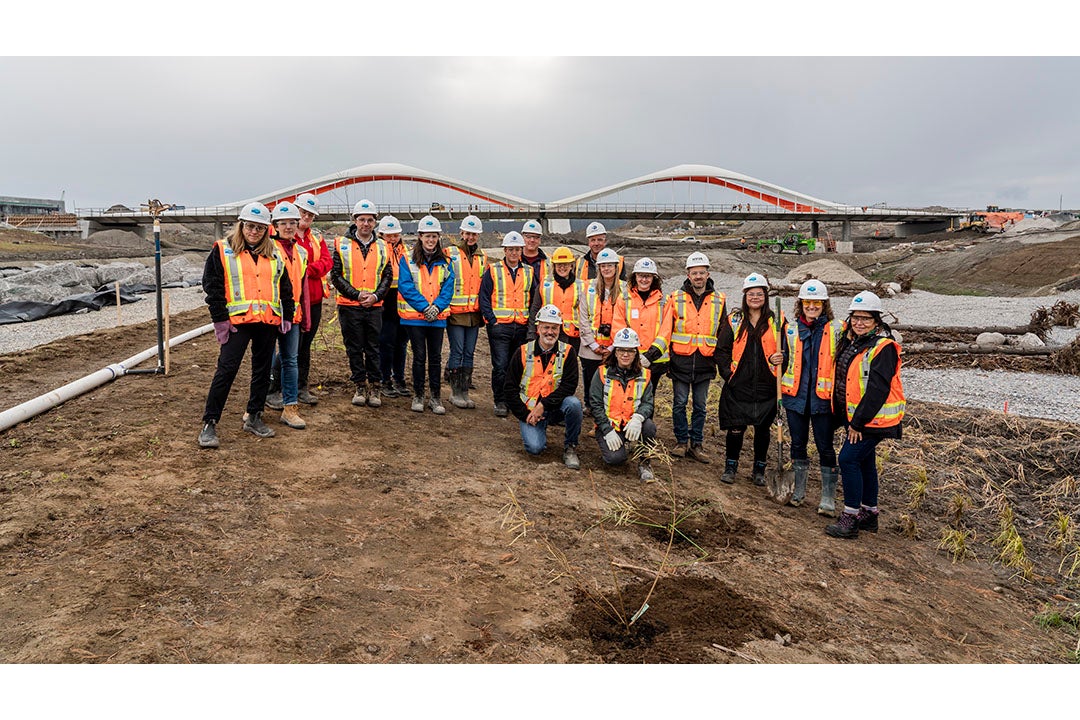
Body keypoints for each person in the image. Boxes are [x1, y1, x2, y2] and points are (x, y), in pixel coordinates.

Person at [197, 202, 294, 448]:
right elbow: (213, 286)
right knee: (226, 370)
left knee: (262, 372)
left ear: (266, 230)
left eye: (260, 228)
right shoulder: (223, 250)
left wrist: (287, 316)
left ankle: (255, 416)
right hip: (237, 323)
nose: (254, 232)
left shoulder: (274, 254)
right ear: (242, 226)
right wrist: (219, 319)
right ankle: (210, 422)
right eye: (250, 226)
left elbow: (285, 288)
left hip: (267, 322)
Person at [825, 291, 905, 539]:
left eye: (866, 319)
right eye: (855, 318)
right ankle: (869, 513)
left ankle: (850, 518)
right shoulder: (855, 343)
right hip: (860, 418)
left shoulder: (883, 348)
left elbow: (877, 391)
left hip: (872, 420)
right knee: (864, 461)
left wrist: (857, 423)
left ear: (877, 322)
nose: (859, 323)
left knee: (848, 459)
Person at [644, 251, 725, 463]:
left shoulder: (719, 300)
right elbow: (665, 331)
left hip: (705, 363)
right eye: (694, 273)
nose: (698, 276)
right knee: (679, 404)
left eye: (701, 272)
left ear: (708, 274)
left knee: (700, 406)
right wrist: (651, 356)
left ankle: (696, 445)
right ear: (688, 275)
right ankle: (681, 441)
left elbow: (724, 334)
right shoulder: (675, 298)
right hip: (680, 361)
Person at [716, 273, 788, 486]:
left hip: (766, 385)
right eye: (751, 293)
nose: (755, 297)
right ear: (745, 295)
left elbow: (786, 351)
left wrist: (780, 359)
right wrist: (728, 375)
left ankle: (759, 469)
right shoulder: (735, 320)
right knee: (736, 428)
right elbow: (721, 350)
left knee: (762, 430)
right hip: (739, 384)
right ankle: (731, 466)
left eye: (759, 294)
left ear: (765, 296)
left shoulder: (777, 320)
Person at [780, 279, 844, 512]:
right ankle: (799, 491)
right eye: (808, 301)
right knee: (798, 445)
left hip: (822, 399)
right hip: (795, 397)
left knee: (825, 446)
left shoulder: (838, 329)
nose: (812, 306)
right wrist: (773, 360)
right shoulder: (790, 328)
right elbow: (784, 359)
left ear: (824, 304)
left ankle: (827, 498)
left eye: (817, 302)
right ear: (801, 303)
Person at [331, 199, 393, 409]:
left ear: (375, 222)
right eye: (362, 219)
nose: (366, 224)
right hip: (350, 305)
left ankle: (375, 386)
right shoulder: (341, 243)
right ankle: (359, 384)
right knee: (354, 347)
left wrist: (376, 296)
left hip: (374, 306)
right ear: (355, 221)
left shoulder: (383, 246)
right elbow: (336, 275)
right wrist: (357, 295)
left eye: (370, 220)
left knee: (373, 347)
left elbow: (387, 276)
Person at [504, 303, 582, 470]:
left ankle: (570, 447)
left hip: (555, 408)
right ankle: (536, 427)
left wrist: (544, 405)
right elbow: (509, 389)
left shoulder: (568, 352)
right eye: (546, 327)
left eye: (554, 328)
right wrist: (525, 414)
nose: (550, 332)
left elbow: (569, 386)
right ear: (538, 328)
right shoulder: (523, 352)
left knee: (574, 404)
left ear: (560, 329)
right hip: (529, 411)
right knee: (535, 448)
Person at [397, 215, 455, 414]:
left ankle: (436, 398)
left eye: (434, 236)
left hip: (436, 319)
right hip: (415, 318)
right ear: (420, 236)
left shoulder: (447, 262)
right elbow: (406, 287)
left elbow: (448, 288)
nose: (431, 240)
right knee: (419, 357)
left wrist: (436, 308)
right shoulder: (407, 259)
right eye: (427, 236)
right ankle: (419, 395)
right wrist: (424, 308)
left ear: (438, 238)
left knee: (436, 358)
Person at [590, 327, 657, 482]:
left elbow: (648, 403)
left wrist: (638, 419)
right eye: (621, 350)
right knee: (615, 459)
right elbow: (596, 405)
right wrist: (606, 430)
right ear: (615, 352)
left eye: (630, 351)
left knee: (649, 426)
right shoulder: (602, 373)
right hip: (609, 426)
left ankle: (645, 462)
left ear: (636, 353)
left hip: (631, 424)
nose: (625, 354)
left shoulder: (645, 375)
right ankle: (621, 446)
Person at [479, 231, 534, 417]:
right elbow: (484, 296)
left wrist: (531, 325)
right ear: (505, 250)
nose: (514, 253)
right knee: (501, 365)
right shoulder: (493, 270)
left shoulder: (529, 271)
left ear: (521, 250)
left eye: (517, 249)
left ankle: (514, 399)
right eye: (510, 249)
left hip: (521, 326)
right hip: (500, 327)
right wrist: (492, 321)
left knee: (517, 365)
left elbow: (535, 299)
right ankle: (500, 400)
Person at [267, 201, 309, 430]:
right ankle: (254, 407)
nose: (289, 227)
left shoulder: (301, 252)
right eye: (284, 223)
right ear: (275, 225)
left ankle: (290, 407)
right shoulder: (266, 248)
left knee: (290, 360)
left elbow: (302, 288)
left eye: (292, 222)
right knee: (263, 361)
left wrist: (306, 316)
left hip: (292, 314)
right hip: (268, 313)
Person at [577, 248, 625, 427]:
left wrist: (613, 347)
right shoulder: (587, 287)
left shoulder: (625, 289)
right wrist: (592, 343)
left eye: (609, 265)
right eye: (603, 266)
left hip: (615, 347)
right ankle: (590, 405)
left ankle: (608, 410)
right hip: (591, 347)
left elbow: (625, 319)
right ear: (598, 268)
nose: (606, 269)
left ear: (616, 267)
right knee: (590, 377)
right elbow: (583, 317)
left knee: (611, 380)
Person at [293, 192, 333, 406]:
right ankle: (278, 387)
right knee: (289, 346)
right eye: (303, 212)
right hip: (291, 300)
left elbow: (327, 262)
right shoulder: (280, 234)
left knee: (305, 345)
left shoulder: (316, 238)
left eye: (310, 214)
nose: (306, 217)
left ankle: (301, 386)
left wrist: (308, 270)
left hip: (314, 300)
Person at [444, 214, 487, 409]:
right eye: (468, 233)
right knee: (457, 352)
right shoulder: (449, 253)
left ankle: (464, 391)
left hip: (474, 314)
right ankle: (455, 392)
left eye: (474, 234)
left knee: (469, 353)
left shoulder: (482, 257)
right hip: (455, 313)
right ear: (461, 232)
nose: (470, 237)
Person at [613, 256, 667, 394]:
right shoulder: (624, 298)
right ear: (635, 277)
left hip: (655, 361)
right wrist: (632, 354)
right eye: (641, 276)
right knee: (629, 395)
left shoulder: (663, 301)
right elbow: (618, 327)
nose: (644, 279)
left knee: (649, 396)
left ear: (654, 278)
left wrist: (649, 356)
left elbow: (666, 332)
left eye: (648, 276)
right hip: (630, 358)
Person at [377, 215, 410, 399]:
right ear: (381, 234)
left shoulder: (406, 251)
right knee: (386, 342)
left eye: (395, 235)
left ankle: (399, 378)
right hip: (386, 300)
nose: (392, 238)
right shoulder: (379, 250)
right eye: (388, 235)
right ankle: (385, 379)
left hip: (403, 301)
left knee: (401, 343)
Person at [528, 246, 579, 351]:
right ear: (554, 266)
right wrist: (531, 333)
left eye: (565, 264)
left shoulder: (581, 286)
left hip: (573, 336)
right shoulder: (545, 284)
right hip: (549, 333)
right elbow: (535, 309)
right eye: (559, 265)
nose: (562, 268)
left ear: (571, 266)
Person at [520, 219, 549, 285]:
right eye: (528, 236)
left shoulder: (549, 262)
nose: (532, 240)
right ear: (522, 237)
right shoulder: (514, 260)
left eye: (536, 237)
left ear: (540, 239)